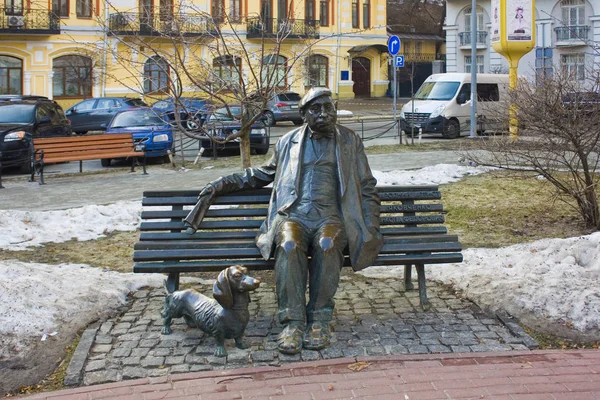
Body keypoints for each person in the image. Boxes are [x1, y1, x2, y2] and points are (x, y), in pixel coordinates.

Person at [183, 88, 383, 354]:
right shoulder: (288, 141)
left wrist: (371, 226)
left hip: (332, 216)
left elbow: (366, 186)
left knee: (327, 244)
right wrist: (222, 184)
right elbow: (261, 174)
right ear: (303, 114)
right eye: (315, 109)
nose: (323, 114)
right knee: (289, 245)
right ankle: (292, 322)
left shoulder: (350, 141)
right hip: (294, 214)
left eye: (328, 107)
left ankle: (320, 320)